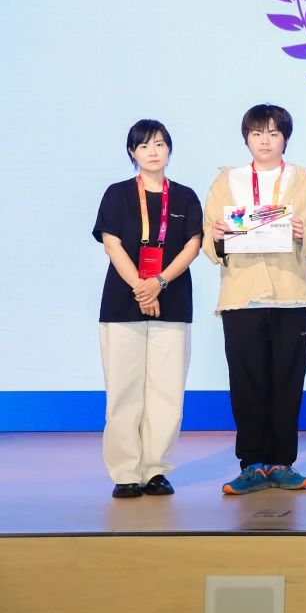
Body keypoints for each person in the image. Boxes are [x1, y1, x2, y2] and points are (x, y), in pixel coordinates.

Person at [203, 104, 306, 495]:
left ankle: (282, 462)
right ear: (247, 138)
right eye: (257, 133)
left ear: (285, 138)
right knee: (246, 382)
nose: (265, 141)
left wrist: (304, 233)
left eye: (274, 133)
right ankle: (252, 464)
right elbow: (208, 236)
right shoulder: (227, 181)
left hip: (292, 296)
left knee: (288, 382)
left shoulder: (305, 180)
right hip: (241, 296)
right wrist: (218, 236)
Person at [93, 120, 203, 498]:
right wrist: (142, 288)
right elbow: (112, 244)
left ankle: (155, 469)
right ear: (132, 153)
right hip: (123, 302)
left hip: (172, 300)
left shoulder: (185, 196)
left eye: (159, 144)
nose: (152, 152)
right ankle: (126, 472)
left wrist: (159, 282)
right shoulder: (117, 193)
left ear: (169, 149)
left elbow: (192, 246)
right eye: (143, 146)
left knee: (166, 391)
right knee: (123, 389)